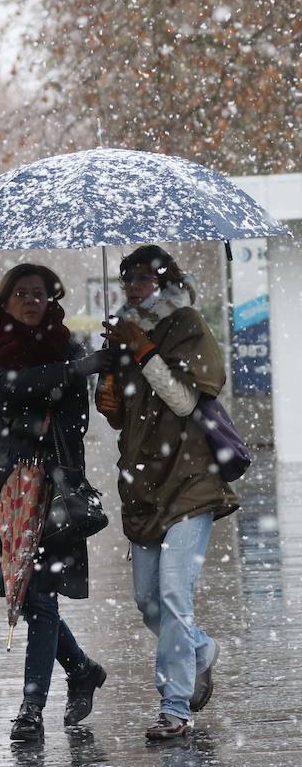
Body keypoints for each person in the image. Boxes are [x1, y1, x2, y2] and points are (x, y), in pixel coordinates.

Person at [0, 263, 115, 742]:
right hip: (1, 488)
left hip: (51, 490)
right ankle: (82, 670)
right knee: (25, 595)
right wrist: (71, 373)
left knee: (40, 597)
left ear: (52, 299)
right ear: (4, 302)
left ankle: (31, 709)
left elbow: (74, 424)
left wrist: (81, 374)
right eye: (21, 293)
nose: (30, 300)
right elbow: (3, 387)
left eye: (39, 294)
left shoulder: (68, 346)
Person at [97, 245, 239, 740]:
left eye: (144, 276)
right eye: (127, 276)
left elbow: (182, 400)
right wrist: (110, 391)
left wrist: (142, 349)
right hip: (143, 484)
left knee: (175, 594)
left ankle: (175, 708)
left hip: (191, 479)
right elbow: (125, 416)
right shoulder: (124, 332)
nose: (135, 285)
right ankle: (200, 650)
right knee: (147, 601)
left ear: (165, 278)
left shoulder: (187, 325)